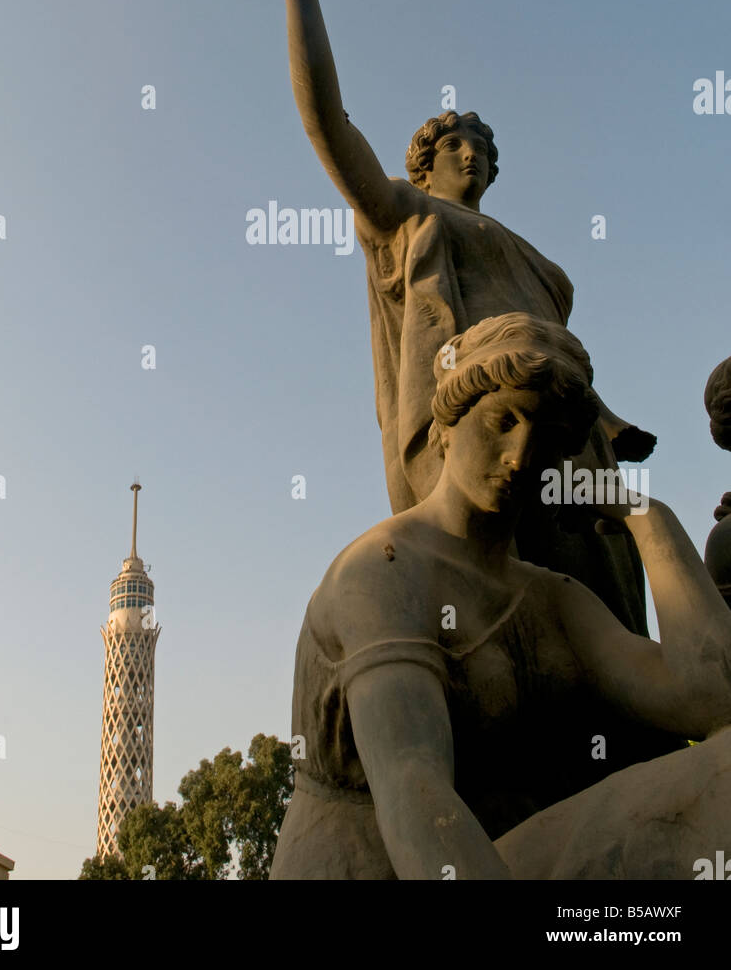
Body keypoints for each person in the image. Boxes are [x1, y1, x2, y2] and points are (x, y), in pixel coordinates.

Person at [230, 0, 653, 633]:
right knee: (505, 608)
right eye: (458, 141)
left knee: (605, 608)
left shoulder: (539, 264)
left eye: (484, 146)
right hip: (476, 429)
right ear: (425, 157)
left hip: (567, 433)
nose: (474, 154)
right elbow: (327, 121)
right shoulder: (405, 212)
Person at [268, 314, 731, 880]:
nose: (521, 454)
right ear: (449, 422)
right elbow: (414, 789)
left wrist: (649, 520)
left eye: (550, 436)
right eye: (502, 420)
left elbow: (715, 702)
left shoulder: (551, 600)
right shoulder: (381, 572)